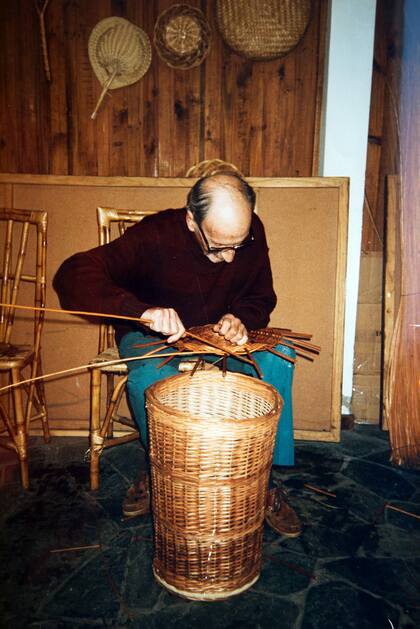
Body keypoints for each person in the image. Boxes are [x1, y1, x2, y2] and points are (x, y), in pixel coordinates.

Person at [53, 172, 301, 537]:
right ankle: (160, 472)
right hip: (154, 337)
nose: (231, 257)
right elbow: (73, 273)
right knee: (149, 379)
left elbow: (262, 296)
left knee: (280, 356)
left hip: (219, 336)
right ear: (191, 220)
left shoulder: (251, 231)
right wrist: (141, 311)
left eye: (239, 243)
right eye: (218, 246)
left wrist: (241, 318)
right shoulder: (154, 234)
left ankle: (261, 480)